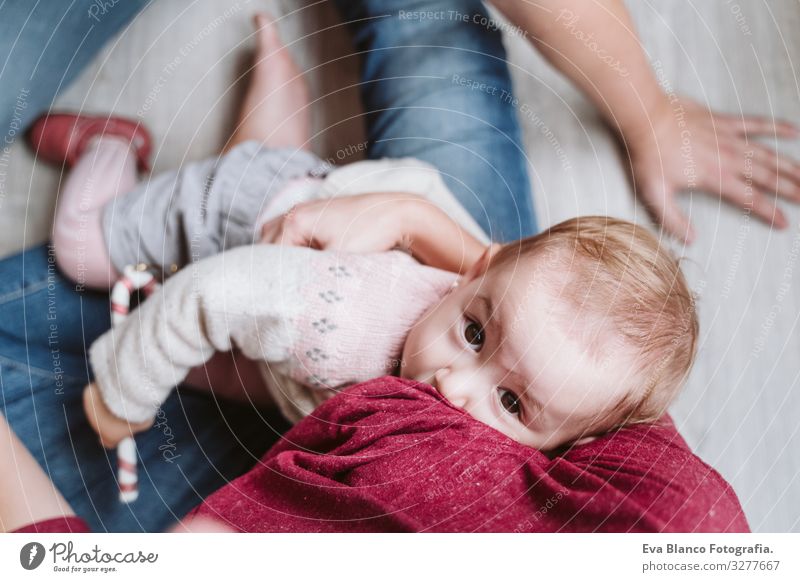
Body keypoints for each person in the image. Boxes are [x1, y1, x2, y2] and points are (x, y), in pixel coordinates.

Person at [0, 0, 778, 531]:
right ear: (478, 276)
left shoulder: (516, 340)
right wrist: (127, 393)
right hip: (261, 250)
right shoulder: (347, 320)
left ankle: (270, 132)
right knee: (90, 250)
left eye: (511, 403)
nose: (450, 385)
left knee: (229, 372)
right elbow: (210, 298)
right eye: (473, 336)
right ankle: (129, 154)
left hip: (296, 358)